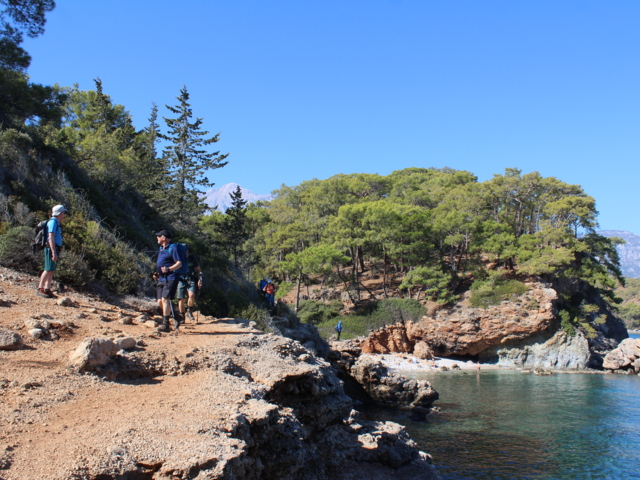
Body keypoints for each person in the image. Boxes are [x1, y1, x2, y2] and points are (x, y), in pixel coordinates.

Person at [154, 229, 183, 332]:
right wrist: (157, 273)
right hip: (162, 278)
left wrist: (169, 269)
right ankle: (176, 315)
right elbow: (162, 263)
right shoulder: (161, 248)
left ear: (163, 238)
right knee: (160, 301)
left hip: (171, 277)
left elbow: (179, 263)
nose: (157, 237)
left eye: (158, 236)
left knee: (166, 299)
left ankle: (166, 324)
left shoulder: (173, 248)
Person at [36, 205, 67, 298]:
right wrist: (53, 252)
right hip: (51, 248)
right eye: (64, 213)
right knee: (48, 268)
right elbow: (51, 237)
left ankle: (47, 289)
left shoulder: (55, 222)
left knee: (51, 270)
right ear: (60, 213)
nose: (64, 215)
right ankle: (40, 288)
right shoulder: (53, 222)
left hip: (53, 248)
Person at [177, 248, 202, 323]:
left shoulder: (192, 258)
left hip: (191, 278)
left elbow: (198, 270)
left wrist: (200, 280)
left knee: (191, 295)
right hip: (181, 279)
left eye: (186, 251)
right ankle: (182, 316)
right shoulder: (178, 258)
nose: (185, 253)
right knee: (181, 298)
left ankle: (189, 310)